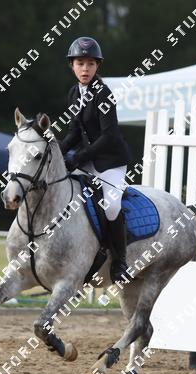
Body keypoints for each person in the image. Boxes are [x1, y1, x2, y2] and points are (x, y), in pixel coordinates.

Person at [59, 36, 133, 284]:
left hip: (110, 161)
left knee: (111, 205)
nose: (85, 69)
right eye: (80, 63)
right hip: (88, 160)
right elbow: (74, 132)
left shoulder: (104, 94)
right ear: (72, 65)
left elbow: (109, 136)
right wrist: (58, 152)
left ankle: (120, 262)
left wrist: (78, 157)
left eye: (90, 64)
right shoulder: (74, 93)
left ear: (97, 66)